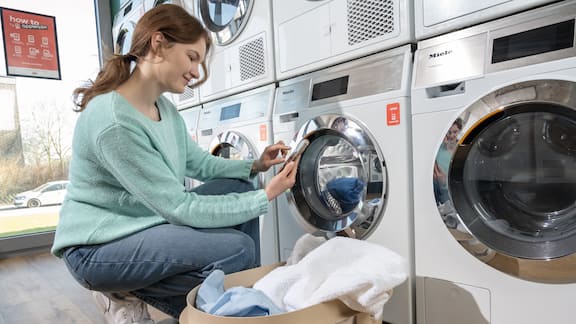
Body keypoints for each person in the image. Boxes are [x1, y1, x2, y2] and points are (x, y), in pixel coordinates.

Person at [50, 4, 299, 323]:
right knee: (237, 248)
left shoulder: (164, 110)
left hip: (141, 222)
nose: (196, 71)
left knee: (238, 186)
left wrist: (255, 167)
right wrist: (264, 197)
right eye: (192, 57)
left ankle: (238, 303)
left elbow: (199, 165)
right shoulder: (113, 121)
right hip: (97, 248)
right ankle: (204, 309)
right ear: (158, 44)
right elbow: (179, 207)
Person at [433, 118, 463, 205]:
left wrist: (444, 182)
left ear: (459, 130)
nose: (451, 135)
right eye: (448, 132)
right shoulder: (438, 149)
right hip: (436, 189)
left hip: (451, 190)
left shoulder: (460, 151)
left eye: (455, 132)